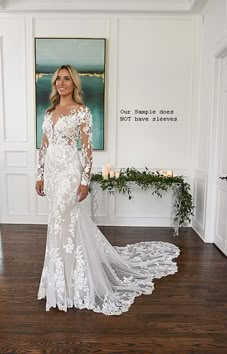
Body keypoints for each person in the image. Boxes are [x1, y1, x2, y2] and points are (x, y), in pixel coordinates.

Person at [35, 64, 180, 315]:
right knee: (57, 223)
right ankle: (58, 281)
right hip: (52, 174)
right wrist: (39, 175)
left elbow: (87, 150)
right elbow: (44, 146)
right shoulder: (49, 112)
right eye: (58, 79)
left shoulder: (82, 112)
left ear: (74, 83)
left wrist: (84, 181)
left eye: (66, 79)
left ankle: (72, 285)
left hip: (70, 172)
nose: (61, 83)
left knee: (64, 221)